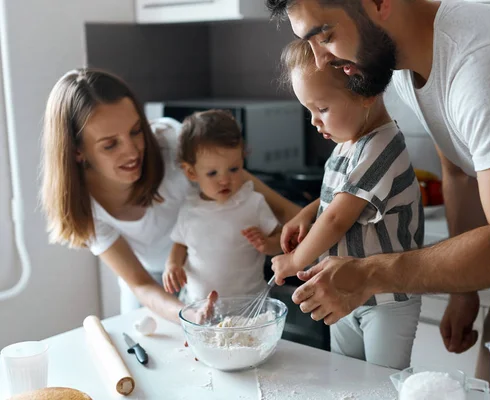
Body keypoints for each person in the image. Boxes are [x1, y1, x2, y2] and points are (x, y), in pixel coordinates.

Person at [266, 0, 490, 397]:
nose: (322, 61)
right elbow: (459, 173)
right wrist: (464, 290)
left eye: (325, 35)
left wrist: (370, 273)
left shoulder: (486, 63)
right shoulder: (407, 66)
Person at [40, 68, 300, 323]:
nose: (132, 151)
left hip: (208, 276)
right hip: (151, 282)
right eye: (110, 144)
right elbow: (141, 285)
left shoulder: (171, 142)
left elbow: (277, 206)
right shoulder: (86, 207)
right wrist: (189, 315)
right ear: (77, 151)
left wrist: (320, 240)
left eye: (136, 131)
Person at [270, 39, 422, 369]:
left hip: (386, 299)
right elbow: (337, 198)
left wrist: (295, 259)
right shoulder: (348, 143)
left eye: (322, 109)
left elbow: (339, 218)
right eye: (308, 110)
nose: (314, 121)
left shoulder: (382, 146)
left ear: (366, 93)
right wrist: (306, 214)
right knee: (347, 376)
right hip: (342, 290)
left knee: (384, 383)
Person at [163, 109, 282, 301]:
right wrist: (172, 265)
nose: (225, 180)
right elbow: (180, 244)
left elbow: (281, 240)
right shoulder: (189, 209)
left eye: (234, 169)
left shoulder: (253, 202)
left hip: (249, 306)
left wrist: (268, 244)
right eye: (213, 173)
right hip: (200, 306)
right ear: (191, 172)